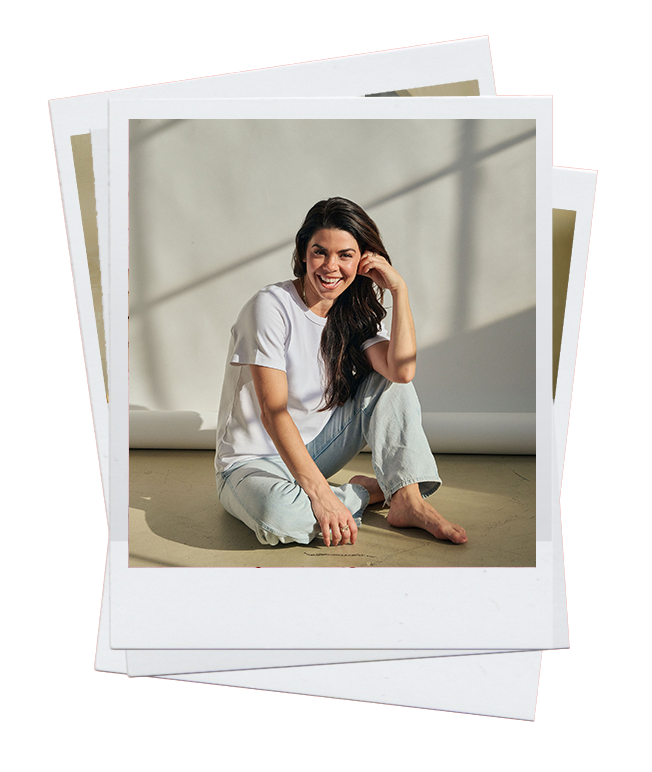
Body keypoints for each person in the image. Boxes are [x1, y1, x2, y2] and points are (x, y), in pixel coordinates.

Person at [214, 197, 467, 547]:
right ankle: (363, 492)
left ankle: (408, 500)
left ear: (363, 260)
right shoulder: (270, 307)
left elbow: (402, 371)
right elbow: (273, 413)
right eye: (320, 252)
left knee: (388, 382)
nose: (330, 266)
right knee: (280, 516)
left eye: (345, 255)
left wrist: (400, 289)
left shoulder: (350, 316)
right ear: (304, 252)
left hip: (315, 451)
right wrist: (322, 496)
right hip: (251, 463)